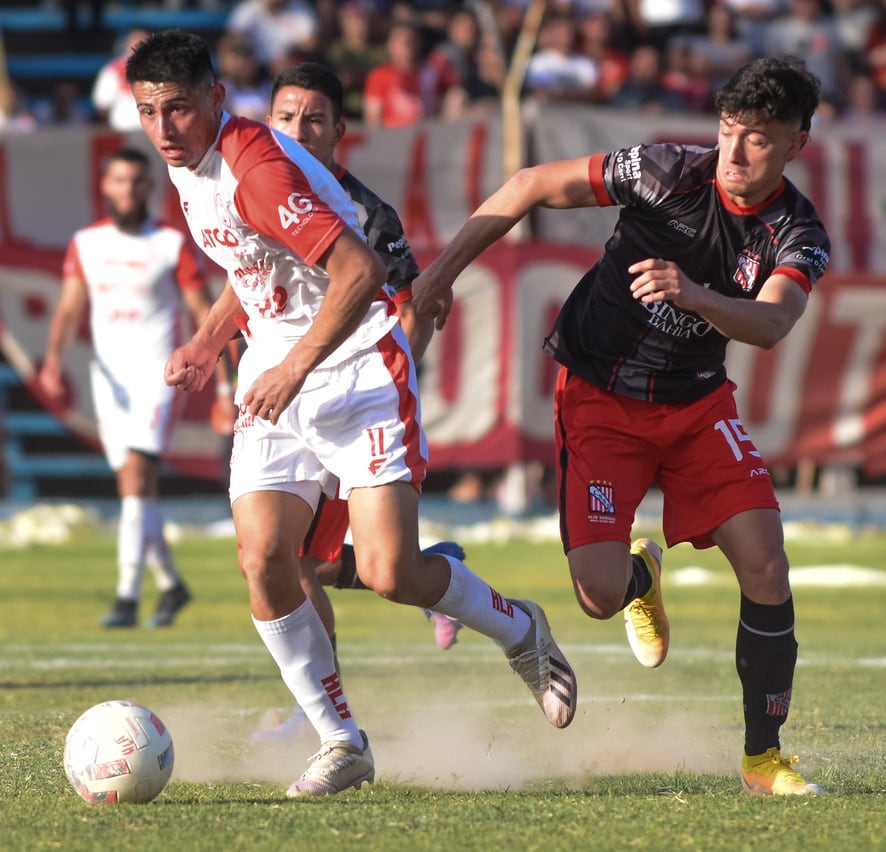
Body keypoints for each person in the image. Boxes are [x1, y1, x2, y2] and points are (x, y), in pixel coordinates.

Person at [124, 30, 577, 798]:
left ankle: (520, 629)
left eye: (176, 109)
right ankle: (341, 741)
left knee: (388, 573)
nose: (163, 128)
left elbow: (361, 272)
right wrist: (209, 339)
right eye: (147, 113)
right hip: (276, 374)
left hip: (357, 366)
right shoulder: (189, 168)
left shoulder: (255, 170)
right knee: (266, 558)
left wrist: (295, 366)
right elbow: (253, 262)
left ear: (214, 100)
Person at [413, 55, 830, 797]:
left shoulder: (796, 230)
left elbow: (771, 323)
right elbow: (529, 186)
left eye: (759, 139)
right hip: (599, 399)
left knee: (767, 562)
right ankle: (640, 575)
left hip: (699, 405)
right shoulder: (666, 170)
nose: (734, 153)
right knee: (598, 597)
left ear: (798, 141)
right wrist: (438, 277)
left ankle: (764, 760)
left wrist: (694, 293)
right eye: (730, 131)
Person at [250, 60, 465, 744]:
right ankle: (324, 711)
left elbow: (416, 307)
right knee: (294, 560)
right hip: (291, 405)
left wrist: (382, 387)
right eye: (285, 117)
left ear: (340, 131)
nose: (297, 130)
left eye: (313, 119)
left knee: (312, 563)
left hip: (353, 401)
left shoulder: (367, 214)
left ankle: (322, 716)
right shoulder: (254, 192)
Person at [38, 146, 214, 630]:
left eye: (136, 182)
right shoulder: (86, 243)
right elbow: (71, 307)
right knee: (137, 489)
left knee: (136, 478)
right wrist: (53, 361)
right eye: (119, 180)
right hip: (107, 378)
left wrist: (226, 379)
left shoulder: (171, 244)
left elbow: (205, 311)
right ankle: (172, 584)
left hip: (158, 377)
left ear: (148, 187)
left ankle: (126, 596)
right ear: (104, 185)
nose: (128, 190)